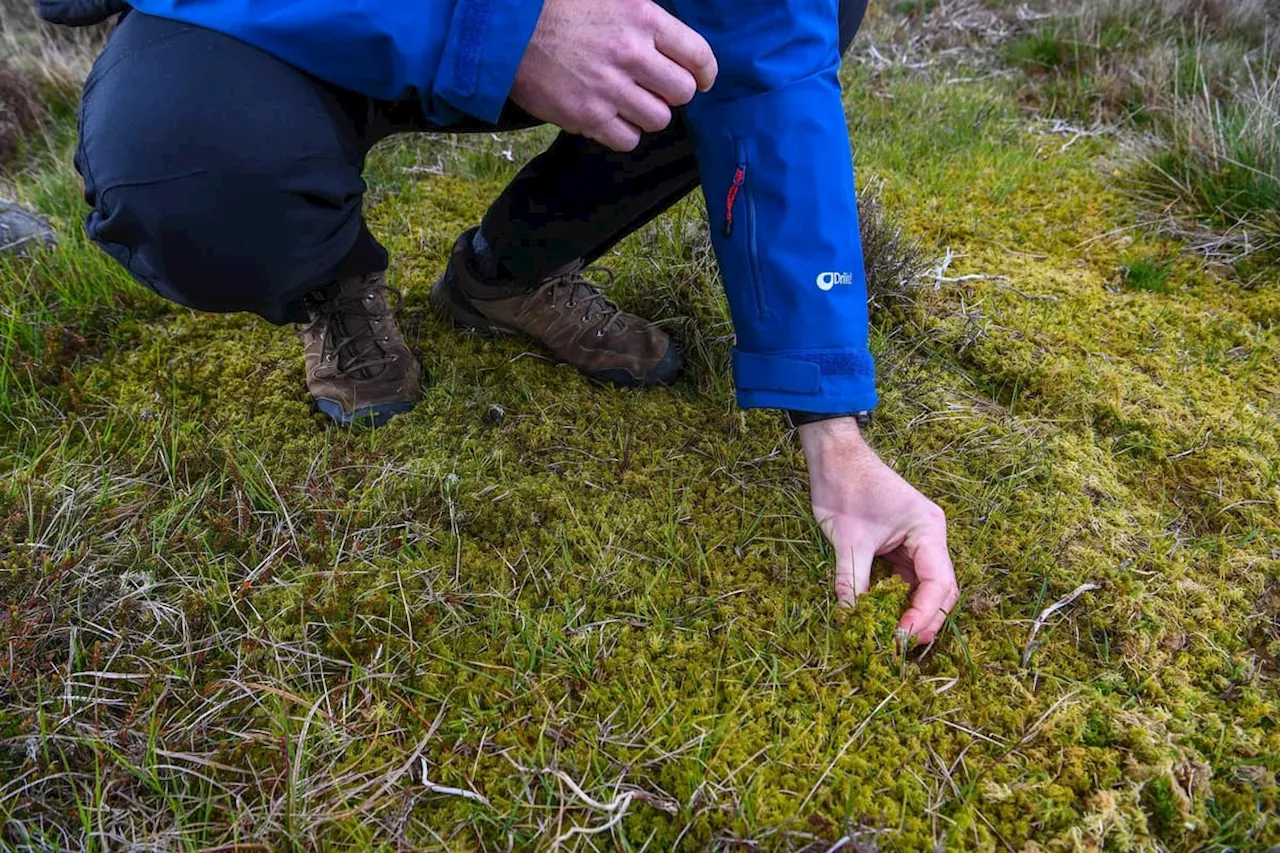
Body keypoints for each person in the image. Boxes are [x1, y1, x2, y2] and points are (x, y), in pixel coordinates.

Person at [42, 0, 959, 644]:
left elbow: (767, 63)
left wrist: (831, 429)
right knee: (176, 162)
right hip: (264, 27)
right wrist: (492, 23)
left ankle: (510, 272)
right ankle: (332, 277)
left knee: (760, 23)